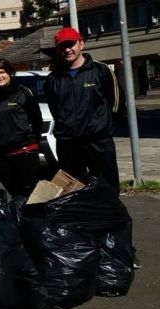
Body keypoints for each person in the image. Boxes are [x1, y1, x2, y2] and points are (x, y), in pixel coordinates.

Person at [45, 27, 124, 194]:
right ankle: (81, 220)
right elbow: (55, 108)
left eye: (71, 44)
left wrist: (104, 128)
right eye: (62, 46)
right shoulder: (53, 78)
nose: (68, 50)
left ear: (81, 44)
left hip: (98, 140)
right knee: (72, 190)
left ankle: (110, 219)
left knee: (107, 186)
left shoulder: (100, 70)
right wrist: (64, 127)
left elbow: (117, 102)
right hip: (68, 143)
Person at [0, 59, 43, 197]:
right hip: (0, 154)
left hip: (23, 151)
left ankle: (31, 218)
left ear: (10, 72)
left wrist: (32, 140)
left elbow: (36, 120)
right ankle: (18, 218)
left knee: (28, 194)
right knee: (14, 192)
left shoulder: (22, 93)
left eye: (2, 72)